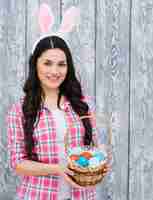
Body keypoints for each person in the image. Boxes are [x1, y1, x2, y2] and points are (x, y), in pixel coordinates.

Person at [6, 35, 108, 200]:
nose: (55, 71)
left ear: (68, 67)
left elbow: (94, 148)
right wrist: (58, 169)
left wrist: (100, 163)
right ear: (35, 65)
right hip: (37, 194)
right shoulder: (19, 111)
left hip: (82, 195)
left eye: (61, 64)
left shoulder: (83, 104)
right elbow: (17, 163)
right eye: (47, 63)